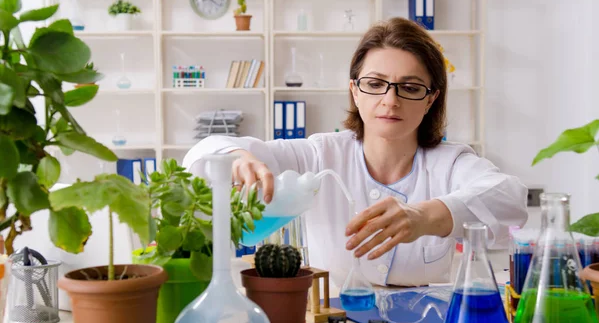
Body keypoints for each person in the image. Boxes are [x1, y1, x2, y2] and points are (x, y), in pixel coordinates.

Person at [183, 17, 528, 288]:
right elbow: (202, 154)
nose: (390, 100)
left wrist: (424, 218)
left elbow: (510, 198)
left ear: (431, 99)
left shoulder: (450, 163)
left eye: (409, 87)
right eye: (375, 84)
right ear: (355, 91)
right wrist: (236, 156)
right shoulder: (319, 155)